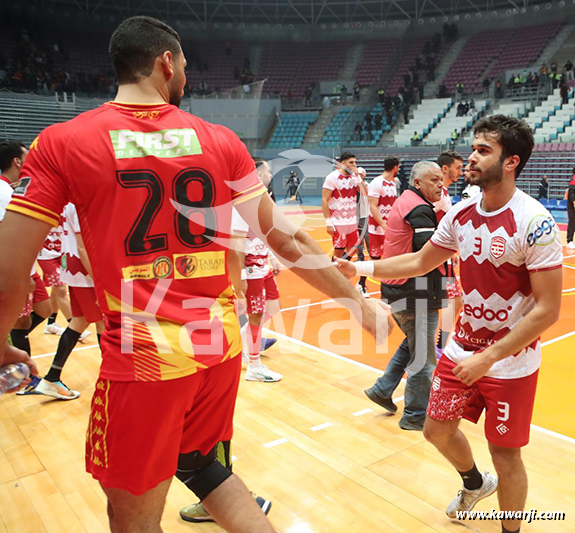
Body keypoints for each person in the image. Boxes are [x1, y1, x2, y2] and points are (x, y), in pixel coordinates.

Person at [0, 16, 387, 533]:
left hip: (145, 362)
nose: (186, 73)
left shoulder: (63, 142)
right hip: (218, 347)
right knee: (206, 472)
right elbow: (287, 240)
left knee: (132, 518)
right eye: (184, 64)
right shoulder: (220, 140)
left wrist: (3, 341)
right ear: (166, 62)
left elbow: (8, 271)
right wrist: (359, 305)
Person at [338, 115, 563, 533]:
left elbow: (548, 310)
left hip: (510, 361)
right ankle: (475, 483)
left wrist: (490, 358)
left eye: (483, 151)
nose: (470, 158)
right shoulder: (459, 214)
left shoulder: (535, 222)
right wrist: (363, 269)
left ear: (511, 162)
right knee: (435, 431)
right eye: (473, 148)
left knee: (505, 453)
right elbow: (421, 261)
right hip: (462, 349)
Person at [362, 161, 446, 431]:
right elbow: (429, 254)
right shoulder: (419, 208)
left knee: (412, 343)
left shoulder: (408, 200)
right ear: (418, 182)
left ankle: (383, 389)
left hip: (399, 288)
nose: (441, 184)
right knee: (423, 356)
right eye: (434, 180)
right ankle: (415, 416)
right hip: (414, 292)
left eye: (441, 179)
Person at [233, 158, 282, 383]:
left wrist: (273, 258)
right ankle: (254, 365)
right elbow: (236, 244)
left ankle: (246, 344)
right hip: (251, 268)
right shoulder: (243, 202)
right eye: (268, 172)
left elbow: (265, 233)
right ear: (258, 175)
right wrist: (241, 277)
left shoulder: (263, 200)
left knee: (273, 306)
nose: (271, 176)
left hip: (263, 264)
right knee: (255, 316)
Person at [433, 151, 464, 359]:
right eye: (458, 168)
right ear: (446, 169)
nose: (460, 172)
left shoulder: (442, 193)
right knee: (431, 304)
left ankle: (439, 344)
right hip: (433, 257)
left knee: (455, 300)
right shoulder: (437, 194)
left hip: (443, 256)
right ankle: (435, 346)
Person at [322, 152, 366, 261]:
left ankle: (341, 264)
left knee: (354, 248)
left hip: (351, 221)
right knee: (339, 250)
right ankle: (334, 271)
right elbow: (324, 199)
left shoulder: (354, 178)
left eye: (355, 162)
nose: (354, 165)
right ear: (343, 163)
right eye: (351, 162)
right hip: (338, 221)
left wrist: (357, 177)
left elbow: (365, 192)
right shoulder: (332, 177)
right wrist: (328, 222)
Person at [367, 157, 399, 261]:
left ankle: (389, 277)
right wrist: (383, 225)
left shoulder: (392, 183)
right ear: (395, 168)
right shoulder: (377, 183)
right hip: (377, 228)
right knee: (375, 257)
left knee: (390, 256)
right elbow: (373, 206)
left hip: (389, 226)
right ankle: (363, 278)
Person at [355, 167, 371, 297]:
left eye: (360, 174)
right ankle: (360, 258)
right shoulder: (350, 187)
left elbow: (365, 192)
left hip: (365, 217)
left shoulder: (367, 185)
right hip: (353, 218)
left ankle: (372, 258)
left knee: (370, 244)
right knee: (358, 245)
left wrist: (358, 178)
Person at [567, 169, 575, 249]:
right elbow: (571, 193)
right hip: (572, 205)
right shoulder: (573, 180)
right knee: (573, 221)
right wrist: (574, 202)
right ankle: (569, 240)